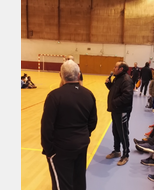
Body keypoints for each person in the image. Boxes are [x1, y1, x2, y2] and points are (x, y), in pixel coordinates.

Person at [41, 60, 98, 190]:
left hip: (60, 148)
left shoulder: (54, 96)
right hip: (81, 145)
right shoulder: (88, 94)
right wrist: (83, 135)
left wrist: (49, 150)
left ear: (60, 75)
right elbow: (93, 122)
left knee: (62, 185)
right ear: (79, 75)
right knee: (79, 181)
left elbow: (46, 126)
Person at [105, 62, 134, 166]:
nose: (114, 68)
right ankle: (117, 151)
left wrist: (114, 102)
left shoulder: (126, 80)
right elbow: (115, 91)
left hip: (122, 110)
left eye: (115, 66)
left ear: (121, 69)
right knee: (115, 131)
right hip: (116, 110)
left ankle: (126, 155)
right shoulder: (117, 78)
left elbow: (127, 96)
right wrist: (109, 84)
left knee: (123, 132)